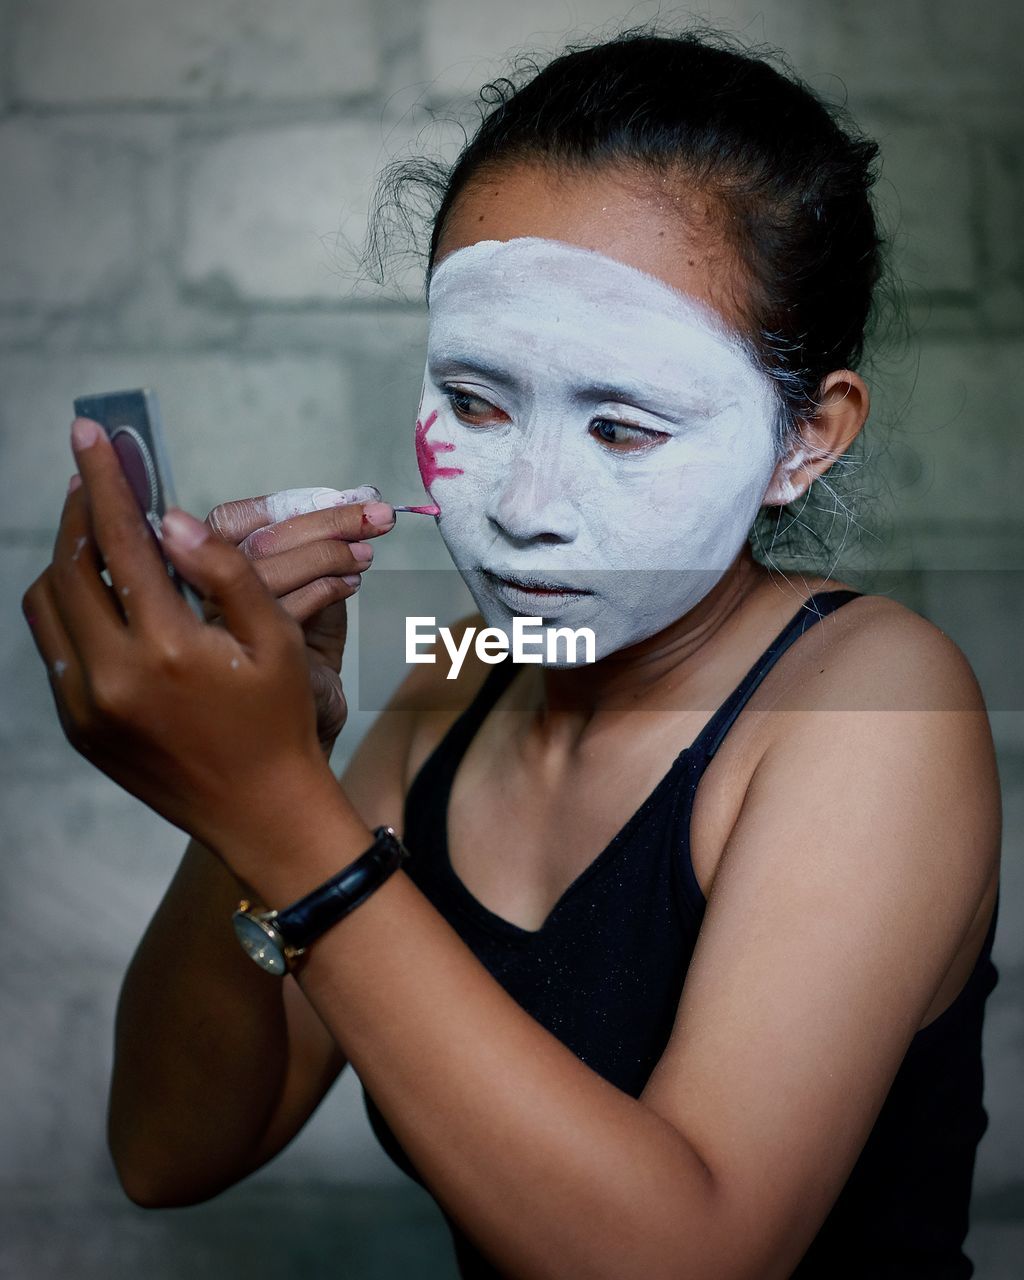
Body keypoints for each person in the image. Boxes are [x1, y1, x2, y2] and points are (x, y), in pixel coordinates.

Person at [22, 27, 1001, 1280]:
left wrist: (273, 803)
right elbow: (169, 1148)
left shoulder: (873, 696)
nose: (526, 503)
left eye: (624, 426)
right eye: (478, 402)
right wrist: (259, 773)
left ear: (805, 437)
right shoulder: (458, 682)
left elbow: (686, 1259)